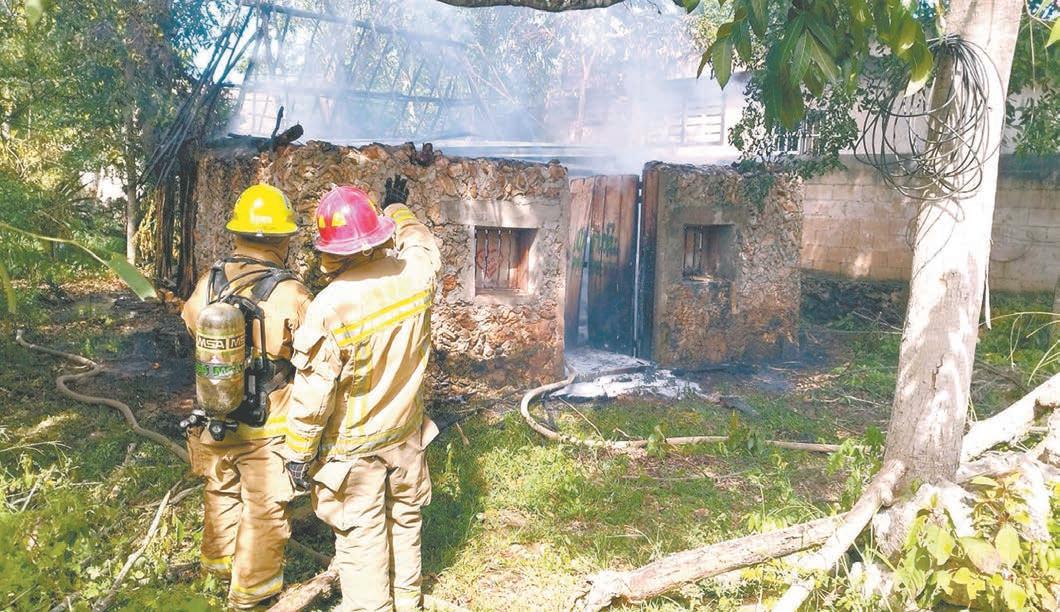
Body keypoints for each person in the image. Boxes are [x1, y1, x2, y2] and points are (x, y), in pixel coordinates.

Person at [283, 177, 441, 612]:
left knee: (362, 540)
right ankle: (408, 602)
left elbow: (313, 397)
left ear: (329, 251)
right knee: (405, 521)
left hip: (354, 453)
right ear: (377, 238)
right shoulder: (416, 273)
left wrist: (298, 455)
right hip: (406, 435)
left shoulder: (330, 305)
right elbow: (422, 242)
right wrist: (397, 208)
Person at [181, 183, 312, 609]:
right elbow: (315, 354)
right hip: (267, 426)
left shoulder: (211, 280)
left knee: (220, 491)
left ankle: (215, 574)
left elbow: (190, 320)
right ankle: (253, 596)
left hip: (216, 415)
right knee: (264, 509)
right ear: (282, 239)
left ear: (236, 234)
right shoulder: (291, 293)